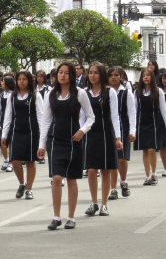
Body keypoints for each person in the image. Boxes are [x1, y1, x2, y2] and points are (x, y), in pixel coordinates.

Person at [38, 62, 95, 230]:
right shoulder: (51, 94)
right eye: (59, 73)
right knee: (56, 178)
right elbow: (46, 120)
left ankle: (71, 216)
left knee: (71, 179)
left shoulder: (80, 94)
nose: (62, 75)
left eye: (65, 72)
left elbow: (91, 117)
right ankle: (56, 217)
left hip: (73, 141)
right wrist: (42, 144)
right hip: (55, 140)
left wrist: (82, 131)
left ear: (71, 75)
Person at [81, 63, 122, 217]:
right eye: (90, 73)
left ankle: (104, 204)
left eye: (96, 73)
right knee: (91, 169)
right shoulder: (84, 93)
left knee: (105, 171)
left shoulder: (109, 92)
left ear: (102, 75)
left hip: (106, 134)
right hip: (90, 134)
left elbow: (114, 116)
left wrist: (118, 137)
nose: (92, 76)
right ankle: (93, 202)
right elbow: (82, 116)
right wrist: (80, 132)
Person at [2, 71, 43, 200]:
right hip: (16, 132)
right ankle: (21, 183)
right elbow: (8, 116)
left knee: (31, 161)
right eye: (19, 79)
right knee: (14, 160)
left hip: (31, 132)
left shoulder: (35, 96)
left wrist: (43, 138)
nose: (21, 81)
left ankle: (29, 188)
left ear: (29, 81)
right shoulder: (12, 96)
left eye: (24, 79)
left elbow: (41, 117)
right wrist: (4, 135)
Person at [133, 68, 166, 185]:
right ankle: (147, 176)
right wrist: (133, 128)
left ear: (152, 77)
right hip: (141, 124)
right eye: (143, 76)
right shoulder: (137, 92)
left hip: (154, 123)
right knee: (145, 151)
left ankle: (154, 174)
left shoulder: (158, 91)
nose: (146, 77)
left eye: (148, 75)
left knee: (152, 149)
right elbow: (135, 110)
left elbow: (163, 109)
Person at [108, 66, 136, 199]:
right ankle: (113, 189)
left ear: (121, 77)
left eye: (116, 75)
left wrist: (132, 130)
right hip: (108, 128)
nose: (113, 77)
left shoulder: (126, 93)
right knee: (112, 159)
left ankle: (123, 182)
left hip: (123, 128)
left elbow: (131, 112)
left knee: (122, 158)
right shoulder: (105, 92)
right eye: (111, 75)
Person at [0, 76, 14, 172]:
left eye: (3, 82)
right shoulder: (1, 95)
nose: (1, 84)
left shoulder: (13, 94)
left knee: (10, 142)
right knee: (1, 141)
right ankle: (6, 159)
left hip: (11, 120)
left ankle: (11, 162)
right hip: (2, 120)